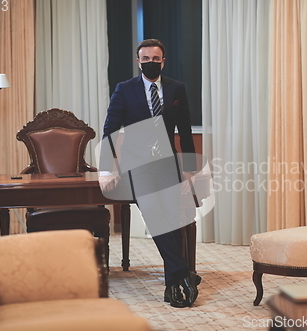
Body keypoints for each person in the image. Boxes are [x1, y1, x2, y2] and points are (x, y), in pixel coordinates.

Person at [100, 39, 201, 308]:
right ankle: (183, 275)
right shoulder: (124, 90)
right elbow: (109, 130)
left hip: (168, 165)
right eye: (145, 59)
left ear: (163, 60)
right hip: (137, 166)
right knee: (156, 217)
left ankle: (174, 283)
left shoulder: (176, 89)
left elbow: (185, 130)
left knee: (172, 220)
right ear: (138, 61)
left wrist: (190, 168)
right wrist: (105, 168)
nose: (150, 63)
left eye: (155, 59)